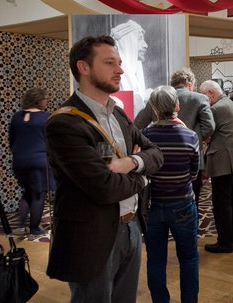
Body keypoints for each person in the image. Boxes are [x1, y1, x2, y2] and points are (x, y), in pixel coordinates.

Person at [45, 35, 163, 302]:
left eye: (119, 62)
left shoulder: (118, 114)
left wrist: (132, 162)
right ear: (83, 68)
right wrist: (143, 179)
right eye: (109, 62)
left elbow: (156, 153)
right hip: (91, 235)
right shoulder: (65, 124)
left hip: (131, 225)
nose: (120, 69)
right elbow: (104, 187)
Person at [142, 86, 199, 303]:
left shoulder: (146, 135)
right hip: (183, 203)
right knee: (189, 258)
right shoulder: (190, 135)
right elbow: (194, 173)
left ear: (154, 109)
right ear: (177, 106)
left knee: (155, 260)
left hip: (154, 205)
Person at [135, 68, 215, 206]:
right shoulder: (200, 98)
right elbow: (209, 127)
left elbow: (138, 124)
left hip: (159, 157)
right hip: (190, 160)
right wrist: (194, 140)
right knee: (191, 200)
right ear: (190, 83)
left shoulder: (156, 98)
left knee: (160, 201)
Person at [199, 80, 233, 253]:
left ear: (210, 93)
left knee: (221, 202)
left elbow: (206, 133)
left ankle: (225, 242)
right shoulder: (230, 103)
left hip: (223, 160)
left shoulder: (216, 109)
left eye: (203, 95)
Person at [8, 87, 54, 235]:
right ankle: (34, 229)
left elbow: (11, 139)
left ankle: (20, 226)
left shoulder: (16, 117)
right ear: (39, 100)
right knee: (38, 194)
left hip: (19, 161)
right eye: (45, 98)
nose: (46, 101)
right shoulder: (46, 117)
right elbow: (52, 141)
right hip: (39, 161)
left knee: (28, 191)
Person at [110, 20, 150, 116]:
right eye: (140, 39)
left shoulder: (134, 73)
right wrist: (143, 97)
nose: (145, 45)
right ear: (128, 42)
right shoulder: (117, 77)